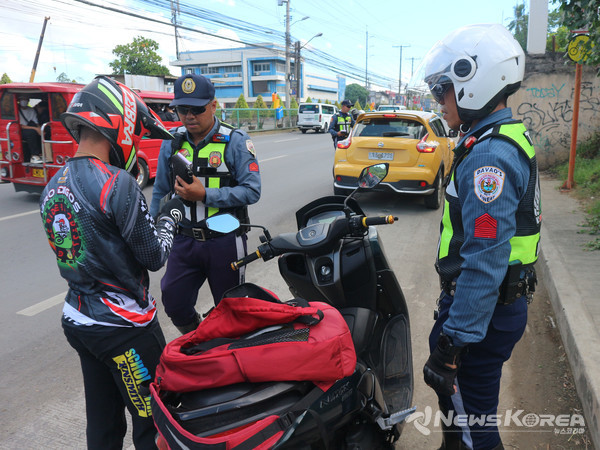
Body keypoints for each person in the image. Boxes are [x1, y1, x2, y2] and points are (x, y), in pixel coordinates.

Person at [39, 76, 185, 450]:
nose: (134, 141)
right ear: (116, 122)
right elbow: (155, 256)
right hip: (125, 328)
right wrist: (171, 216)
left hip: (79, 321)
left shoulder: (52, 184)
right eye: (133, 131)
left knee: (103, 424)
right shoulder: (117, 183)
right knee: (154, 424)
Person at [419, 24, 541, 450]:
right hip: (492, 311)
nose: (440, 102)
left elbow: (486, 258)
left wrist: (453, 342)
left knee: (474, 429)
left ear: (473, 81)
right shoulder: (496, 139)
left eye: (441, 91)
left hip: (482, 316)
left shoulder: (489, 156)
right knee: (465, 422)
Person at [150, 73, 261, 334]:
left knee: (232, 311)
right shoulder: (172, 141)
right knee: (174, 301)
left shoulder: (235, 141)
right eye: (181, 109)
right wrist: (153, 230)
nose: (189, 116)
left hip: (225, 239)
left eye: (197, 109)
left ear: (213, 106)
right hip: (183, 239)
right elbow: (160, 191)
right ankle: (198, 338)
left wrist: (205, 196)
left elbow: (252, 191)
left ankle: (230, 357)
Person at [17, 95, 43, 162]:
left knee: (43, 132)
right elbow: (21, 126)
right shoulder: (16, 111)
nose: (24, 101)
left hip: (31, 128)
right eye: (22, 99)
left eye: (25, 99)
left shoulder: (31, 110)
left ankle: (42, 154)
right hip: (20, 131)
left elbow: (35, 122)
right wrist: (36, 129)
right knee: (31, 133)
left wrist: (40, 129)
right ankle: (34, 155)